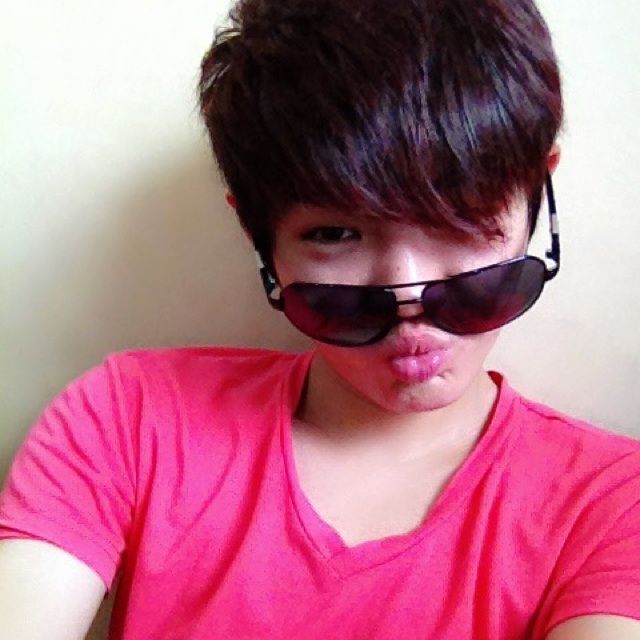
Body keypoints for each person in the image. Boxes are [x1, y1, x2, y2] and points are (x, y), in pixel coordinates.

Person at [1, 0, 640, 638]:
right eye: (335, 234)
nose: (408, 300)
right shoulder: (130, 419)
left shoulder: (611, 504)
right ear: (258, 235)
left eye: (463, 216)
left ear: (537, 193)